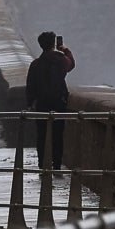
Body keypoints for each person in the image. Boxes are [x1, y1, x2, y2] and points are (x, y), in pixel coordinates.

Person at [25, 31, 75, 169]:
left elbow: (31, 86)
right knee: (58, 134)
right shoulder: (61, 61)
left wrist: (30, 103)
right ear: (54, 43)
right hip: (59, 102)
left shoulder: (36, 64)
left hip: (42, 103)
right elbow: (71, 64)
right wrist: (65, 49)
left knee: (41, 135)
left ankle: (42, 163)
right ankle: (57, 164)